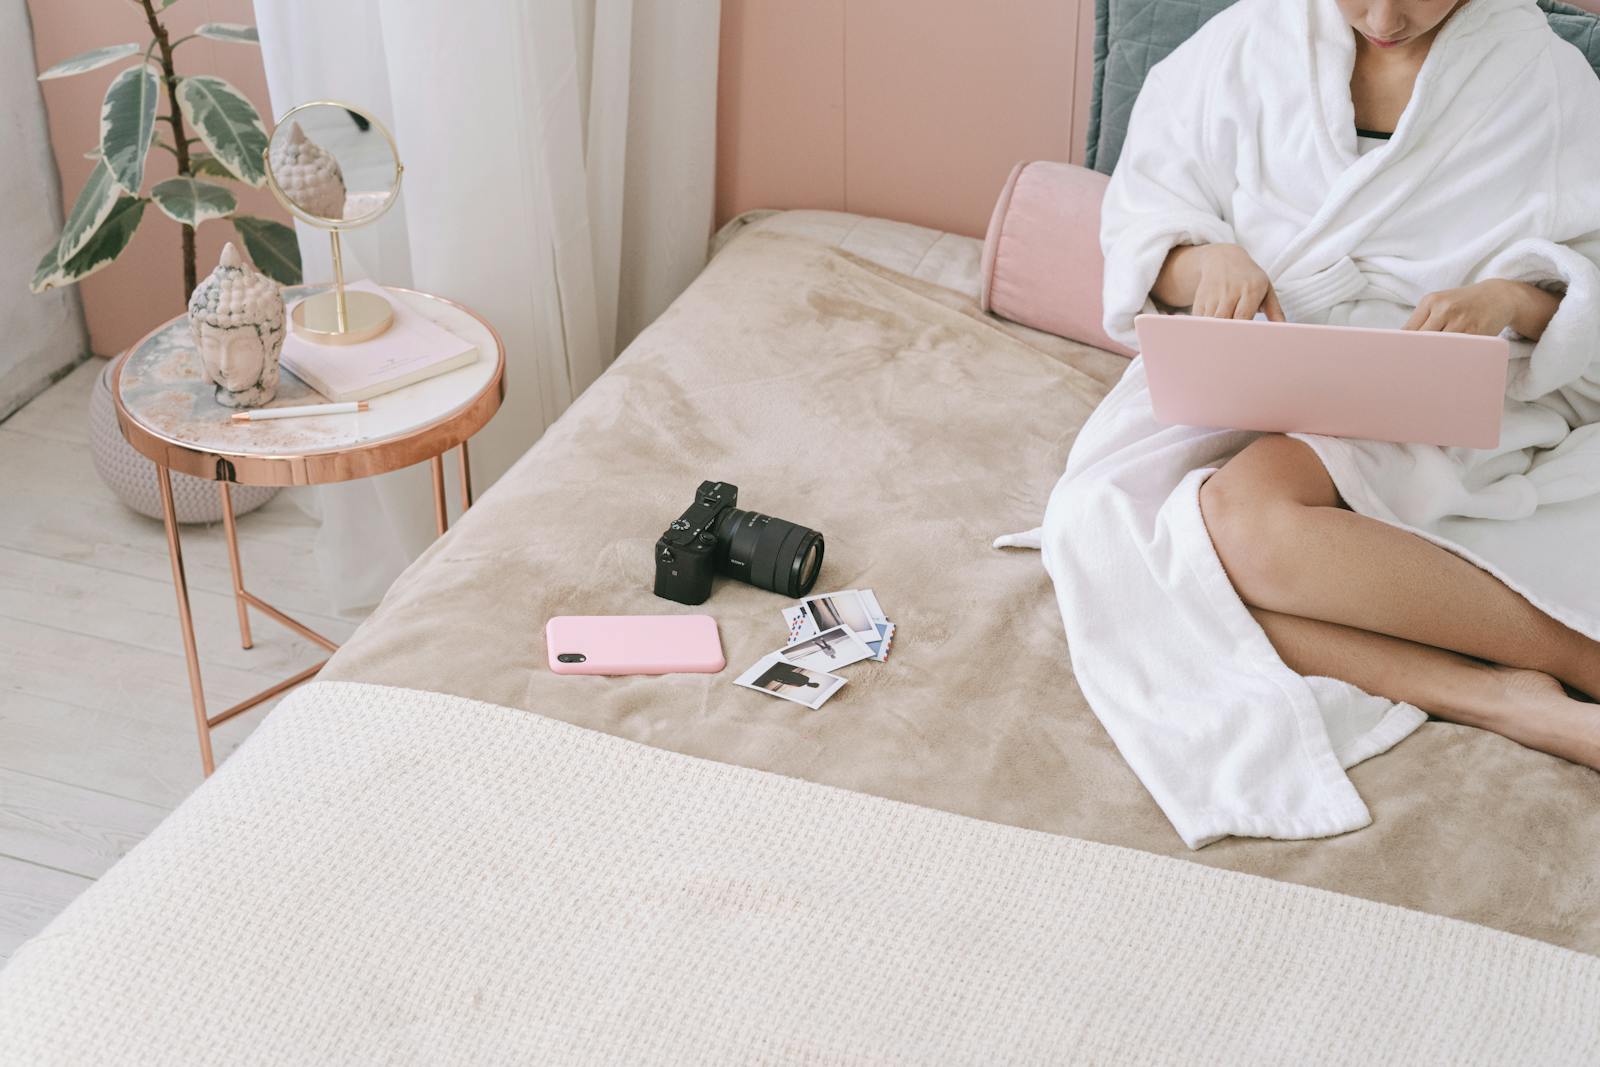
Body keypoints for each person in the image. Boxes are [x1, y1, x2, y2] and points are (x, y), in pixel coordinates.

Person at [1033, 0, 1600, 846]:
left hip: (1437, 397)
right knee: (1110, 535)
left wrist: (1510, 297)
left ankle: (1578, 656)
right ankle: (1500, 693)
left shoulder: (1544, 82)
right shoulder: (1242, 46)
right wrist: (1202, 261)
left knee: (1231, 528)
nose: (1383, 16)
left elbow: (1586, 273)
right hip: (1264, 370)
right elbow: (1146, 219)